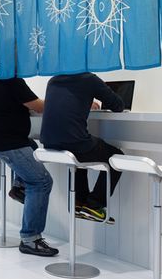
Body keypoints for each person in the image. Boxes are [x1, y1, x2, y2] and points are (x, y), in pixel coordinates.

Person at [0, 78, 58, 257]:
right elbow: (39, 107)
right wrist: (67, 101)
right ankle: (30, 239)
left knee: (32, 146)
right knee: (42, 182)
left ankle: (19, 187)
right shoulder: (11, 79)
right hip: (7, 142)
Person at [40, 72, 126, 223]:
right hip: (73, 144)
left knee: (79, 153)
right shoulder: (89, 79)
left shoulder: (53, 80)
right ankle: (95, 205)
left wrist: (86, 100)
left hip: (49, 143)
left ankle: (79, 202)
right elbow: (118, 106)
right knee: (116, 157)